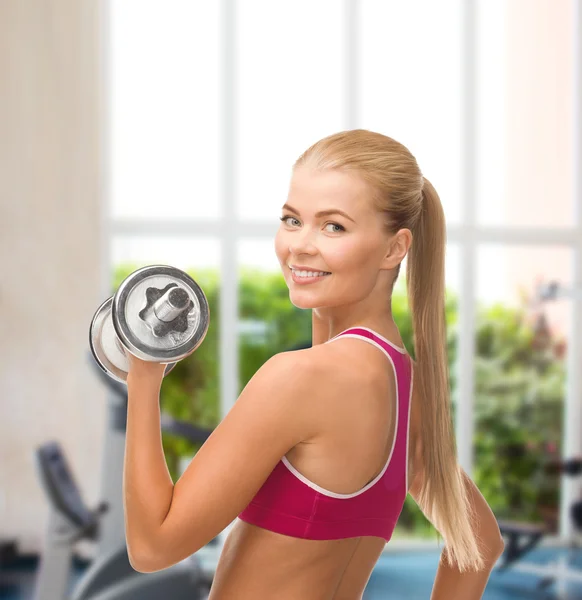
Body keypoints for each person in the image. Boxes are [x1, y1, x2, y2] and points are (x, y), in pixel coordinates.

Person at [122, 129, 505, 599]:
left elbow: (152, 545)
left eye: (333, 226)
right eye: (291, 219)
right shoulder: (403, 384)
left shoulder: (300, 379)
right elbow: (480, 545)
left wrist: (143, 374)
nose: (299, 246)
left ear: (394, 248)